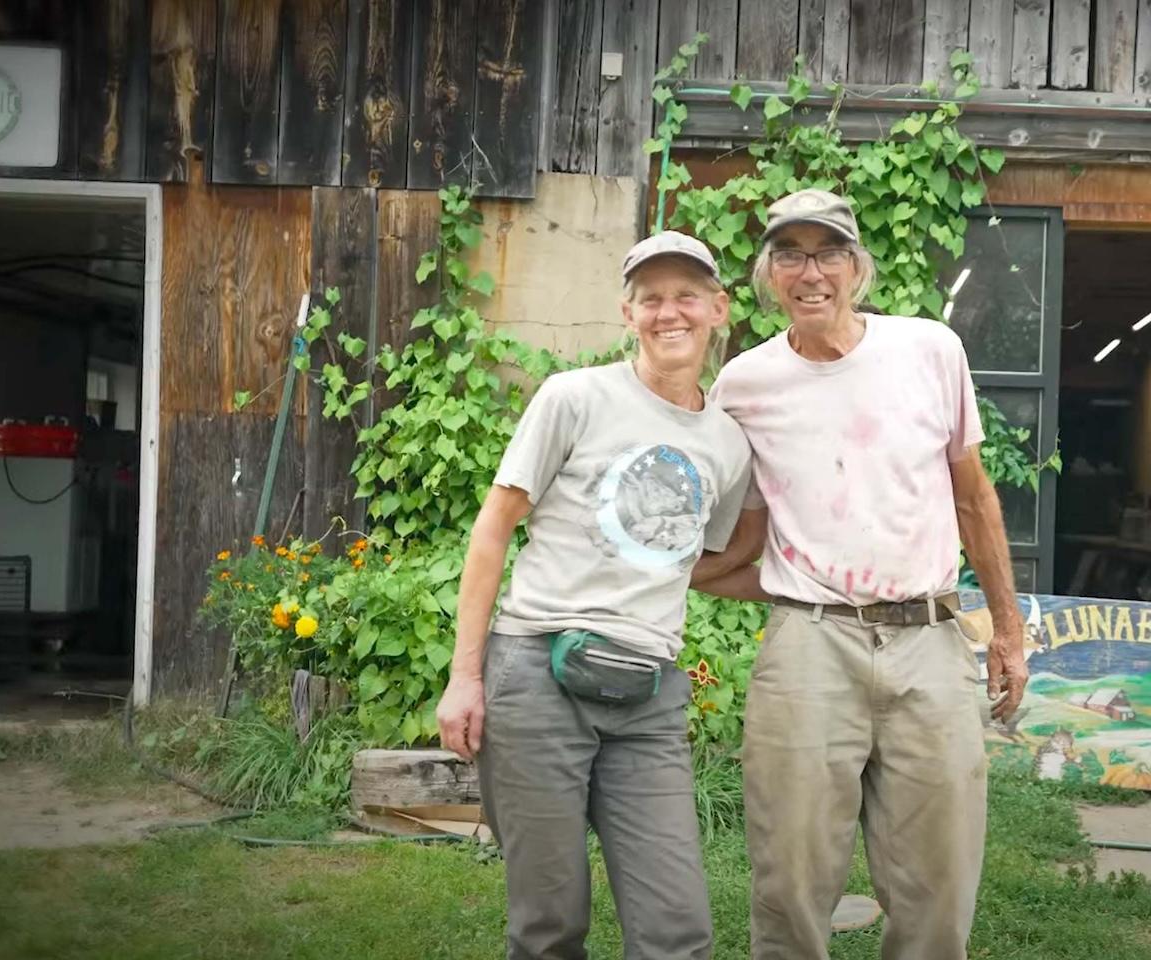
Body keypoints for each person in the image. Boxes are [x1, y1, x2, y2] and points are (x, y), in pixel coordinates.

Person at [693, 189, 1027, 960]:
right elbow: (731, 527)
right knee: (791, 878)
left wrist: (1007, 632)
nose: (810, 273)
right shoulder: (743, 384)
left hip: (933, 638)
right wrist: (659, 565)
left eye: (828, 252)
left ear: (857, 267)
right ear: (767, 275)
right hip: (810, 646)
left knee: (939, 882)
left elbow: (974, 500)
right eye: (789, 254)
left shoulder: (929, 350)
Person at [436, 231, 752, 960]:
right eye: (650, 300)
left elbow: (692, 557)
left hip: (649, 695)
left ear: (718, 308)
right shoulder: (574, 398)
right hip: (537, 676)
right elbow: (493, 532)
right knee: (548, 924)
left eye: (686, 297)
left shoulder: (728, 445)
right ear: (627, 312)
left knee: (678, 928)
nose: (668, 313)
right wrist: (464, 675)